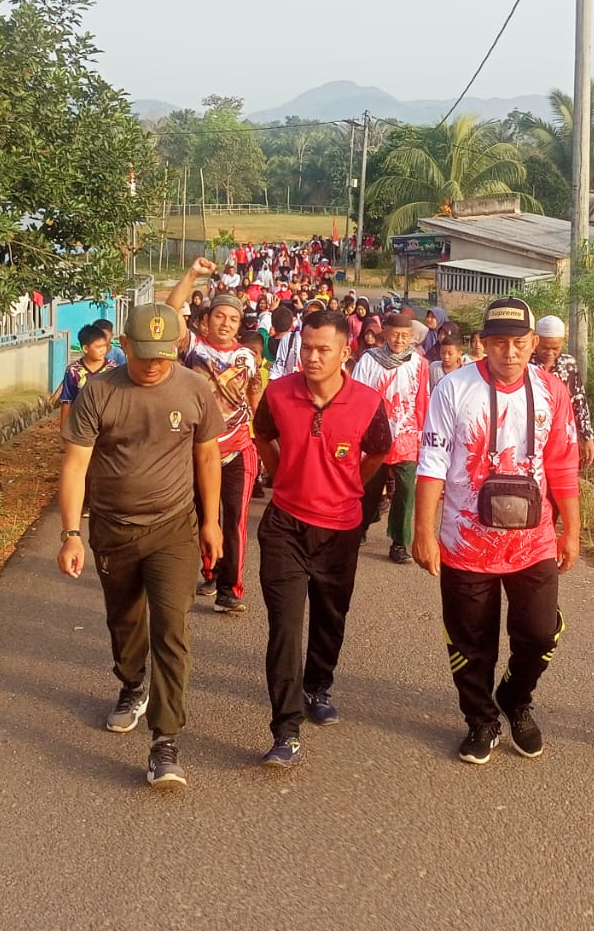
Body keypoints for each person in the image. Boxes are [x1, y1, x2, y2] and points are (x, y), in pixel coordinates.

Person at [56, 302, 223, 789]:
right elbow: (74, 465)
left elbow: (208, 456)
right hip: (114, 529)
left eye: (163, 355)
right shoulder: (99, 392)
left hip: (174, 528)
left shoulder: (194, 389)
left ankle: (165, 741)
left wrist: (211, 522)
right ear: (124, 345)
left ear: (176, 347)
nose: (153, 364)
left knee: (171, 627)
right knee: (125, 621)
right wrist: (71, 534)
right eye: (144, 354)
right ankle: (133, 683)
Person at [413, 297, 581, 765]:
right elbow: (432, 462)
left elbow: (563, 463)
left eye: (520, 343)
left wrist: (572, 529)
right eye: (500, 343)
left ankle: (516, 697)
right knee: (470, 640)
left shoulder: (552, 391)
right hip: (466, 542)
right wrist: (423, 530)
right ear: (482, 344)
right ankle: (481, 719)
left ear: (534, 344)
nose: (510, 352)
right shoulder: (453, 388)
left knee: (540, 631)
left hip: (534, 541)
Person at [251, 310, 393, 768]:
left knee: (331, 617)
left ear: (344, 353)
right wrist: (282, 474)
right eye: (307, 347)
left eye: (323, 350)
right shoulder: (277, 393)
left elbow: (378, 452)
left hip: (340, 529)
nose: (312, 357)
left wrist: (349, 483)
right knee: (285, 626)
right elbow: (263, 436)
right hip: (285, 526)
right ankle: (285, 729)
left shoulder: (368, 402)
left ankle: (318, 685)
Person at [167, 259, 264, 613]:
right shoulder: (192, 347)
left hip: (238, 447)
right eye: (220, 316)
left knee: (235, 519)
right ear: (207, 320)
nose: (226, 323)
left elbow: (255, 395)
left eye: (233, 319)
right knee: (198, 515)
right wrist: (191, 275)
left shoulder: (248, 356)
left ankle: (230, 589)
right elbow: (168, 311)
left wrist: (263, 432)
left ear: (240, 325)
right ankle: (208, 570)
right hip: (196, 449)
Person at [351, 311, 429, 564]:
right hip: (374, 435)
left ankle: (399, 542)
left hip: (406, 436)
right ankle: (360, 527)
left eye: (405, 336)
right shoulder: (369, 360)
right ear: (384, 333)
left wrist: (421, 433)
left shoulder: (419, 363)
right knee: (370, 488)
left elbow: (422, 400)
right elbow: (357, 395)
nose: (399, 340)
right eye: (395, 334)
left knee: (406, 491)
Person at [531, 315, 594, 467]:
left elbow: (579, 401)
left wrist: (587, 436)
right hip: (531, 436)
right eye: (544, 347)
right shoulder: (525, 364)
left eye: (555, 348)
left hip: (560, 436)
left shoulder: (569, 364)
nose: (550, 352)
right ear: (535, 342)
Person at [56, 323, 112, 431]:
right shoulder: (73, 371)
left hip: (107, 426)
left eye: (105, 346)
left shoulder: (113, 369)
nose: (103, 350)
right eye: (98, 347)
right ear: (85, 348)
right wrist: (63, 429)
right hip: (81, 425)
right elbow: (67, 401)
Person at [429, 323, 466, 390]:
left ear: (459, 354)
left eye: (450, 354)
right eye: (442, 353)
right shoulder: (434, 367)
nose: (446, 357)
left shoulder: (465, 371)